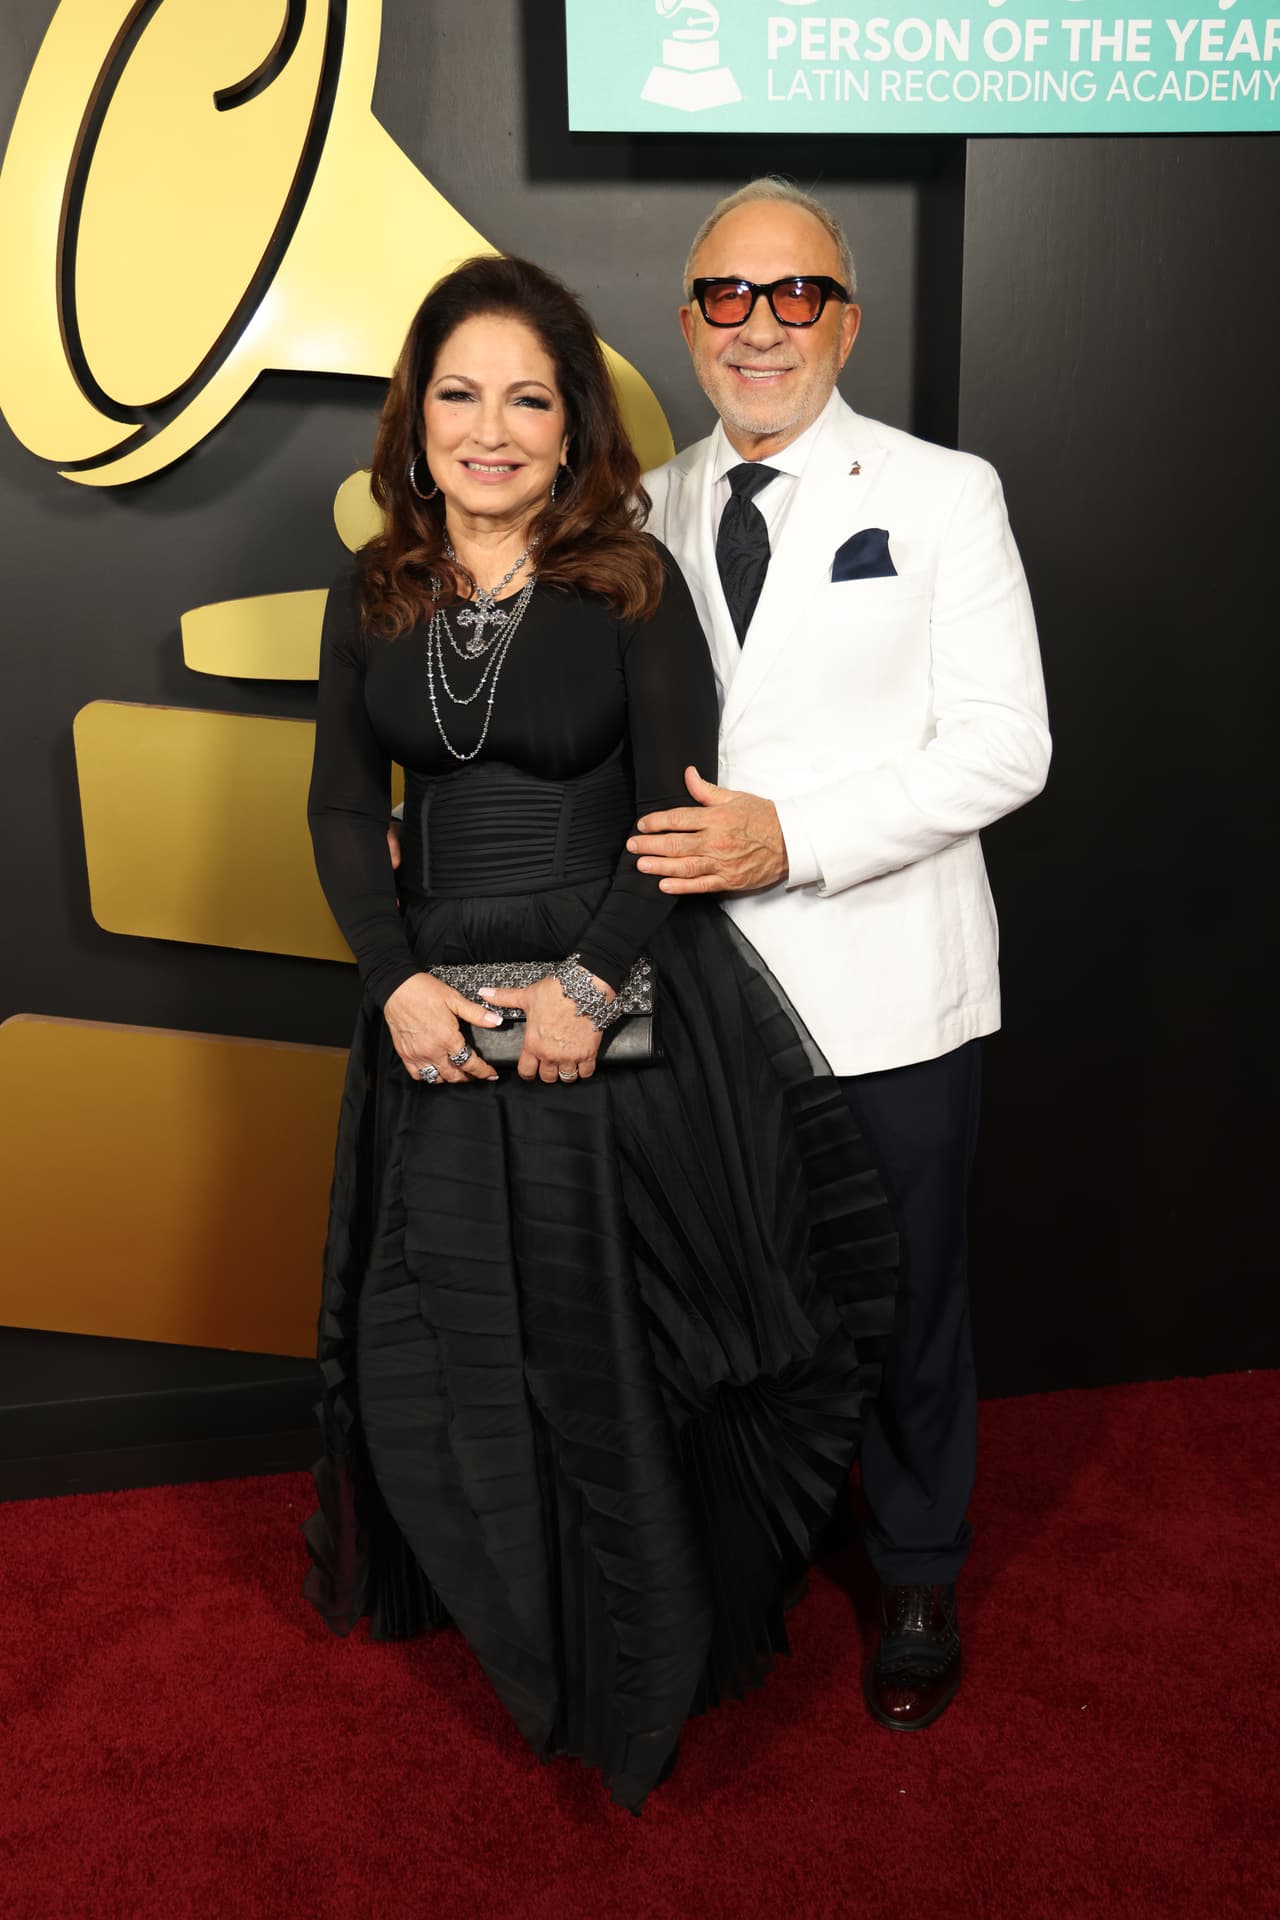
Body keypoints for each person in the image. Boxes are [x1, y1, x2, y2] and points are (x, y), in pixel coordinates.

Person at [301, 254, 898, 1811]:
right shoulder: (372, 589)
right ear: (415, 414)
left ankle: (636, 1659)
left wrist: (586, 990)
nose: (489, 430)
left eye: (527, 399)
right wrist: (394, 985)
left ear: (570, 432)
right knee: (443, 1339)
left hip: (601, 1005)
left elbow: (670, 815)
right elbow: (332, 808)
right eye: (459, 394)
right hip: (432, 1013)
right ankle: (521, 1616)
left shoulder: (629, 580)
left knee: (604, 1344)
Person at [634, 180, 1051, 1732]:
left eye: (794, 294)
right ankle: (767, 1542)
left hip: (890, 981)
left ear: (846, 317)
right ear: (688, 324)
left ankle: (922, 1564)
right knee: (741, 1300)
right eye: (727, 298)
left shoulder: (946, 493)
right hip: (698, 1006)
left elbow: (1010, 747)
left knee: (910, 1301)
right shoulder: (643, 507)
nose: (760, 326)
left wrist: (789, 836)